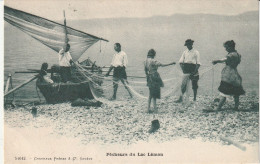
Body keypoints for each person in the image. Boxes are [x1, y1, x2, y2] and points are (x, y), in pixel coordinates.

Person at [211, 40, 245, 111]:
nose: (226, 49)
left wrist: (216, 61)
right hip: (235, 74)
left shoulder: (231, 55)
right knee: (236, 92)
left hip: (228, 75)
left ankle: (218, 107)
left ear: (230, 47)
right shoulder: (238, 54)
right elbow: (229, 61)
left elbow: (225, 59)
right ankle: (236, 107)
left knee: (224, 91)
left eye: (226, 47)